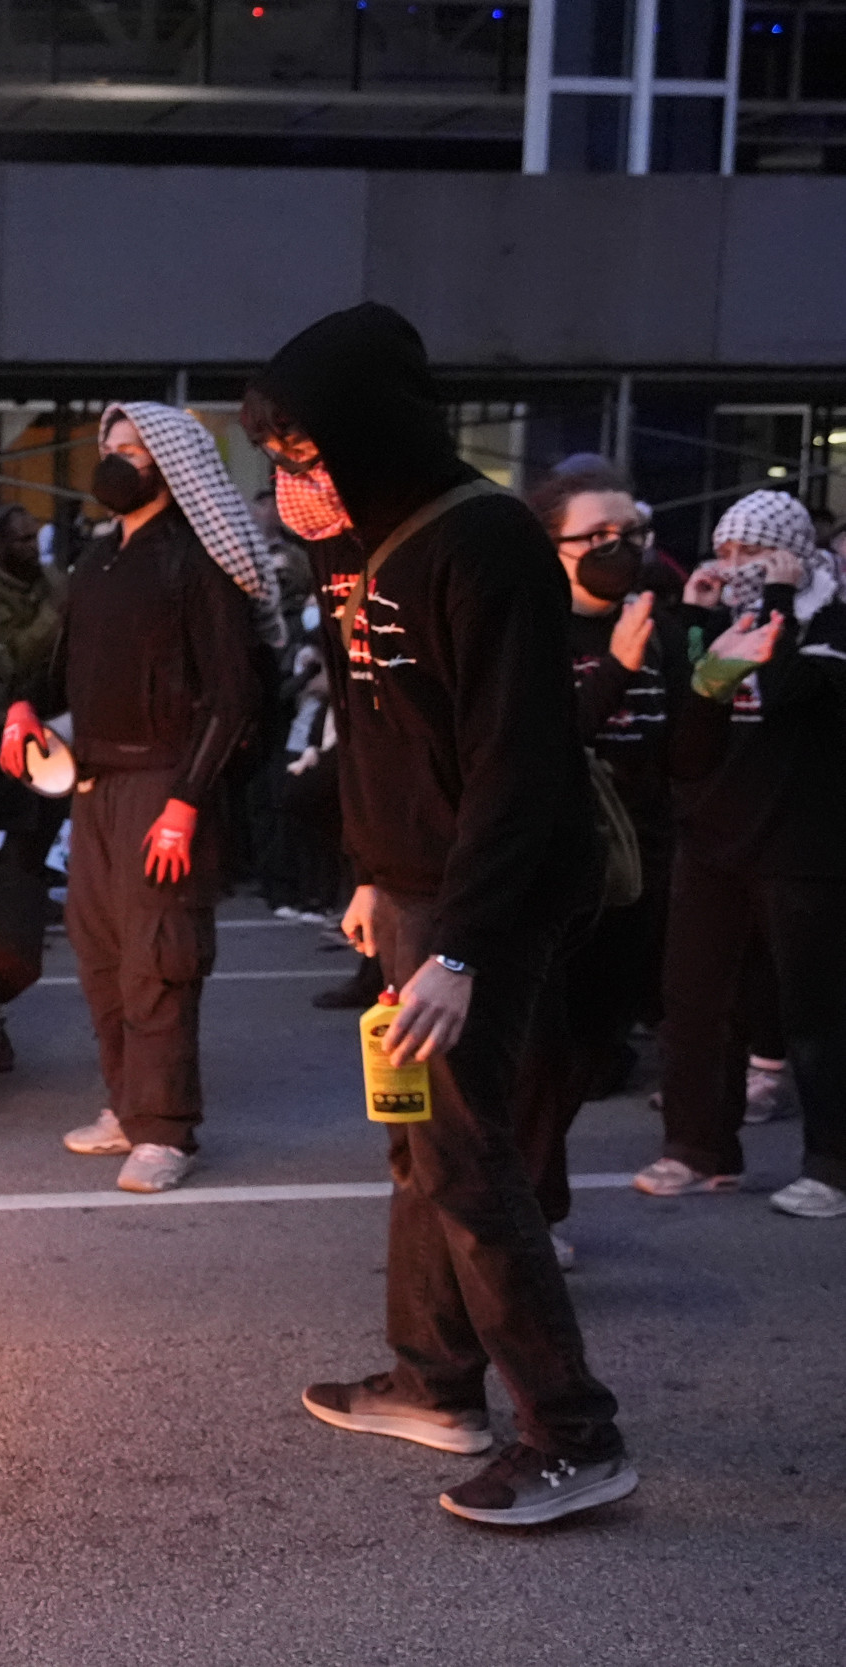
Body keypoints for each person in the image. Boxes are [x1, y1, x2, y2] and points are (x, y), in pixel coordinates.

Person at [244, 301, 633, 1527]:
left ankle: (575, 1434)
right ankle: (432, 1381)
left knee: (470, 1162)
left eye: (300, 448)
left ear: (360, 430)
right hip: (410, 889)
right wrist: (368, 869)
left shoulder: (483, 544)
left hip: (492, 898)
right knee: (416, 1141)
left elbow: (518, 767)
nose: (286, 476)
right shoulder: (349, 540)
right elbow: (374, 731)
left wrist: (459, 946)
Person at [0, 403, 266, 1194]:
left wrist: (186, 801)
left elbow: (233, 697)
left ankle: (166, 1129)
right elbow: (59, 655)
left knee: (161, 955)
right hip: (93, 778)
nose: (115, 460)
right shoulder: (98, 557)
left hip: (163, 779)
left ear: (174, 466)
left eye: (135, 449)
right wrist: (24, 703)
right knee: (102, 950)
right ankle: (127, 1105)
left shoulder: (197, 560)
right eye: (109, 447)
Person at [511, 461, 774, 1261]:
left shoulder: (659, 623)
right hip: (564, 870)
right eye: (595, 535)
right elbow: (535, 756)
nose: (617, 548)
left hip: (652, 865)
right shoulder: (530, 630)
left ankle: (533, 1193)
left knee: (596, 1048)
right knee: (542, 1053)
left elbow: (688, 761)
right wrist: (616, 670)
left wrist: (713, 678)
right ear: (550, 544)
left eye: (630, 533)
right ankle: (534, 1211)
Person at [637, 490, 846, 1220]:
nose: (736, 568)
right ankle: (698, 1147)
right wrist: (694, 618)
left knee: (814, 1011)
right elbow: (687, 725)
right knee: (695, 1003)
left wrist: (782, 600)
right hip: (713, 839)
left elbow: (786, 689)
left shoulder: (829, 616)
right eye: (725, 552)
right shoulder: (719, 621)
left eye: (753, 554)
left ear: (791, 554)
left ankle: (832, 1160)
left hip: (804, 844)